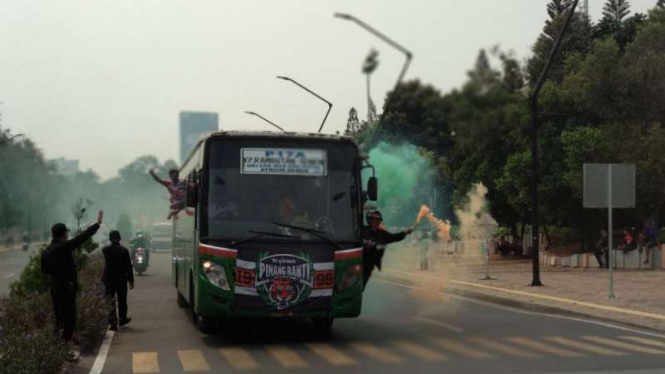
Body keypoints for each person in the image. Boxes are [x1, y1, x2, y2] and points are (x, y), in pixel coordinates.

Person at [41, 210, 103, 341]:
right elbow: (81, 238)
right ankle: (65, 342)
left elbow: (44, 270)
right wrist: (97, 224)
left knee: (59, 317)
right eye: (66, 232)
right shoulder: (64, 246)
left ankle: (57, 343)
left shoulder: (46, 251)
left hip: (55, 288)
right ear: (63, 234)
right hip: (66, 287)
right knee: (70, 317)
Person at [362, 210, 414, 288]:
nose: (375, 221)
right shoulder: (361, 231)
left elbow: (394, 237)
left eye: (377, 219)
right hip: (358, 263)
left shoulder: (383, 234)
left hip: (368, 267)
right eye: (373, 218)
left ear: (380, 221)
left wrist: (405, 233)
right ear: (369, 219)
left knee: (361, 287)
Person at [102, 230, 134, 331]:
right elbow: (128, 266)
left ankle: (112, 323)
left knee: (110, 300)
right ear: (119, 238)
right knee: (122, 300)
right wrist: (131, 280)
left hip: (109, 279)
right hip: (121, 278)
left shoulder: (105, 250)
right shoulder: (124, 251)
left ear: (110, 239)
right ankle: (122, 319)